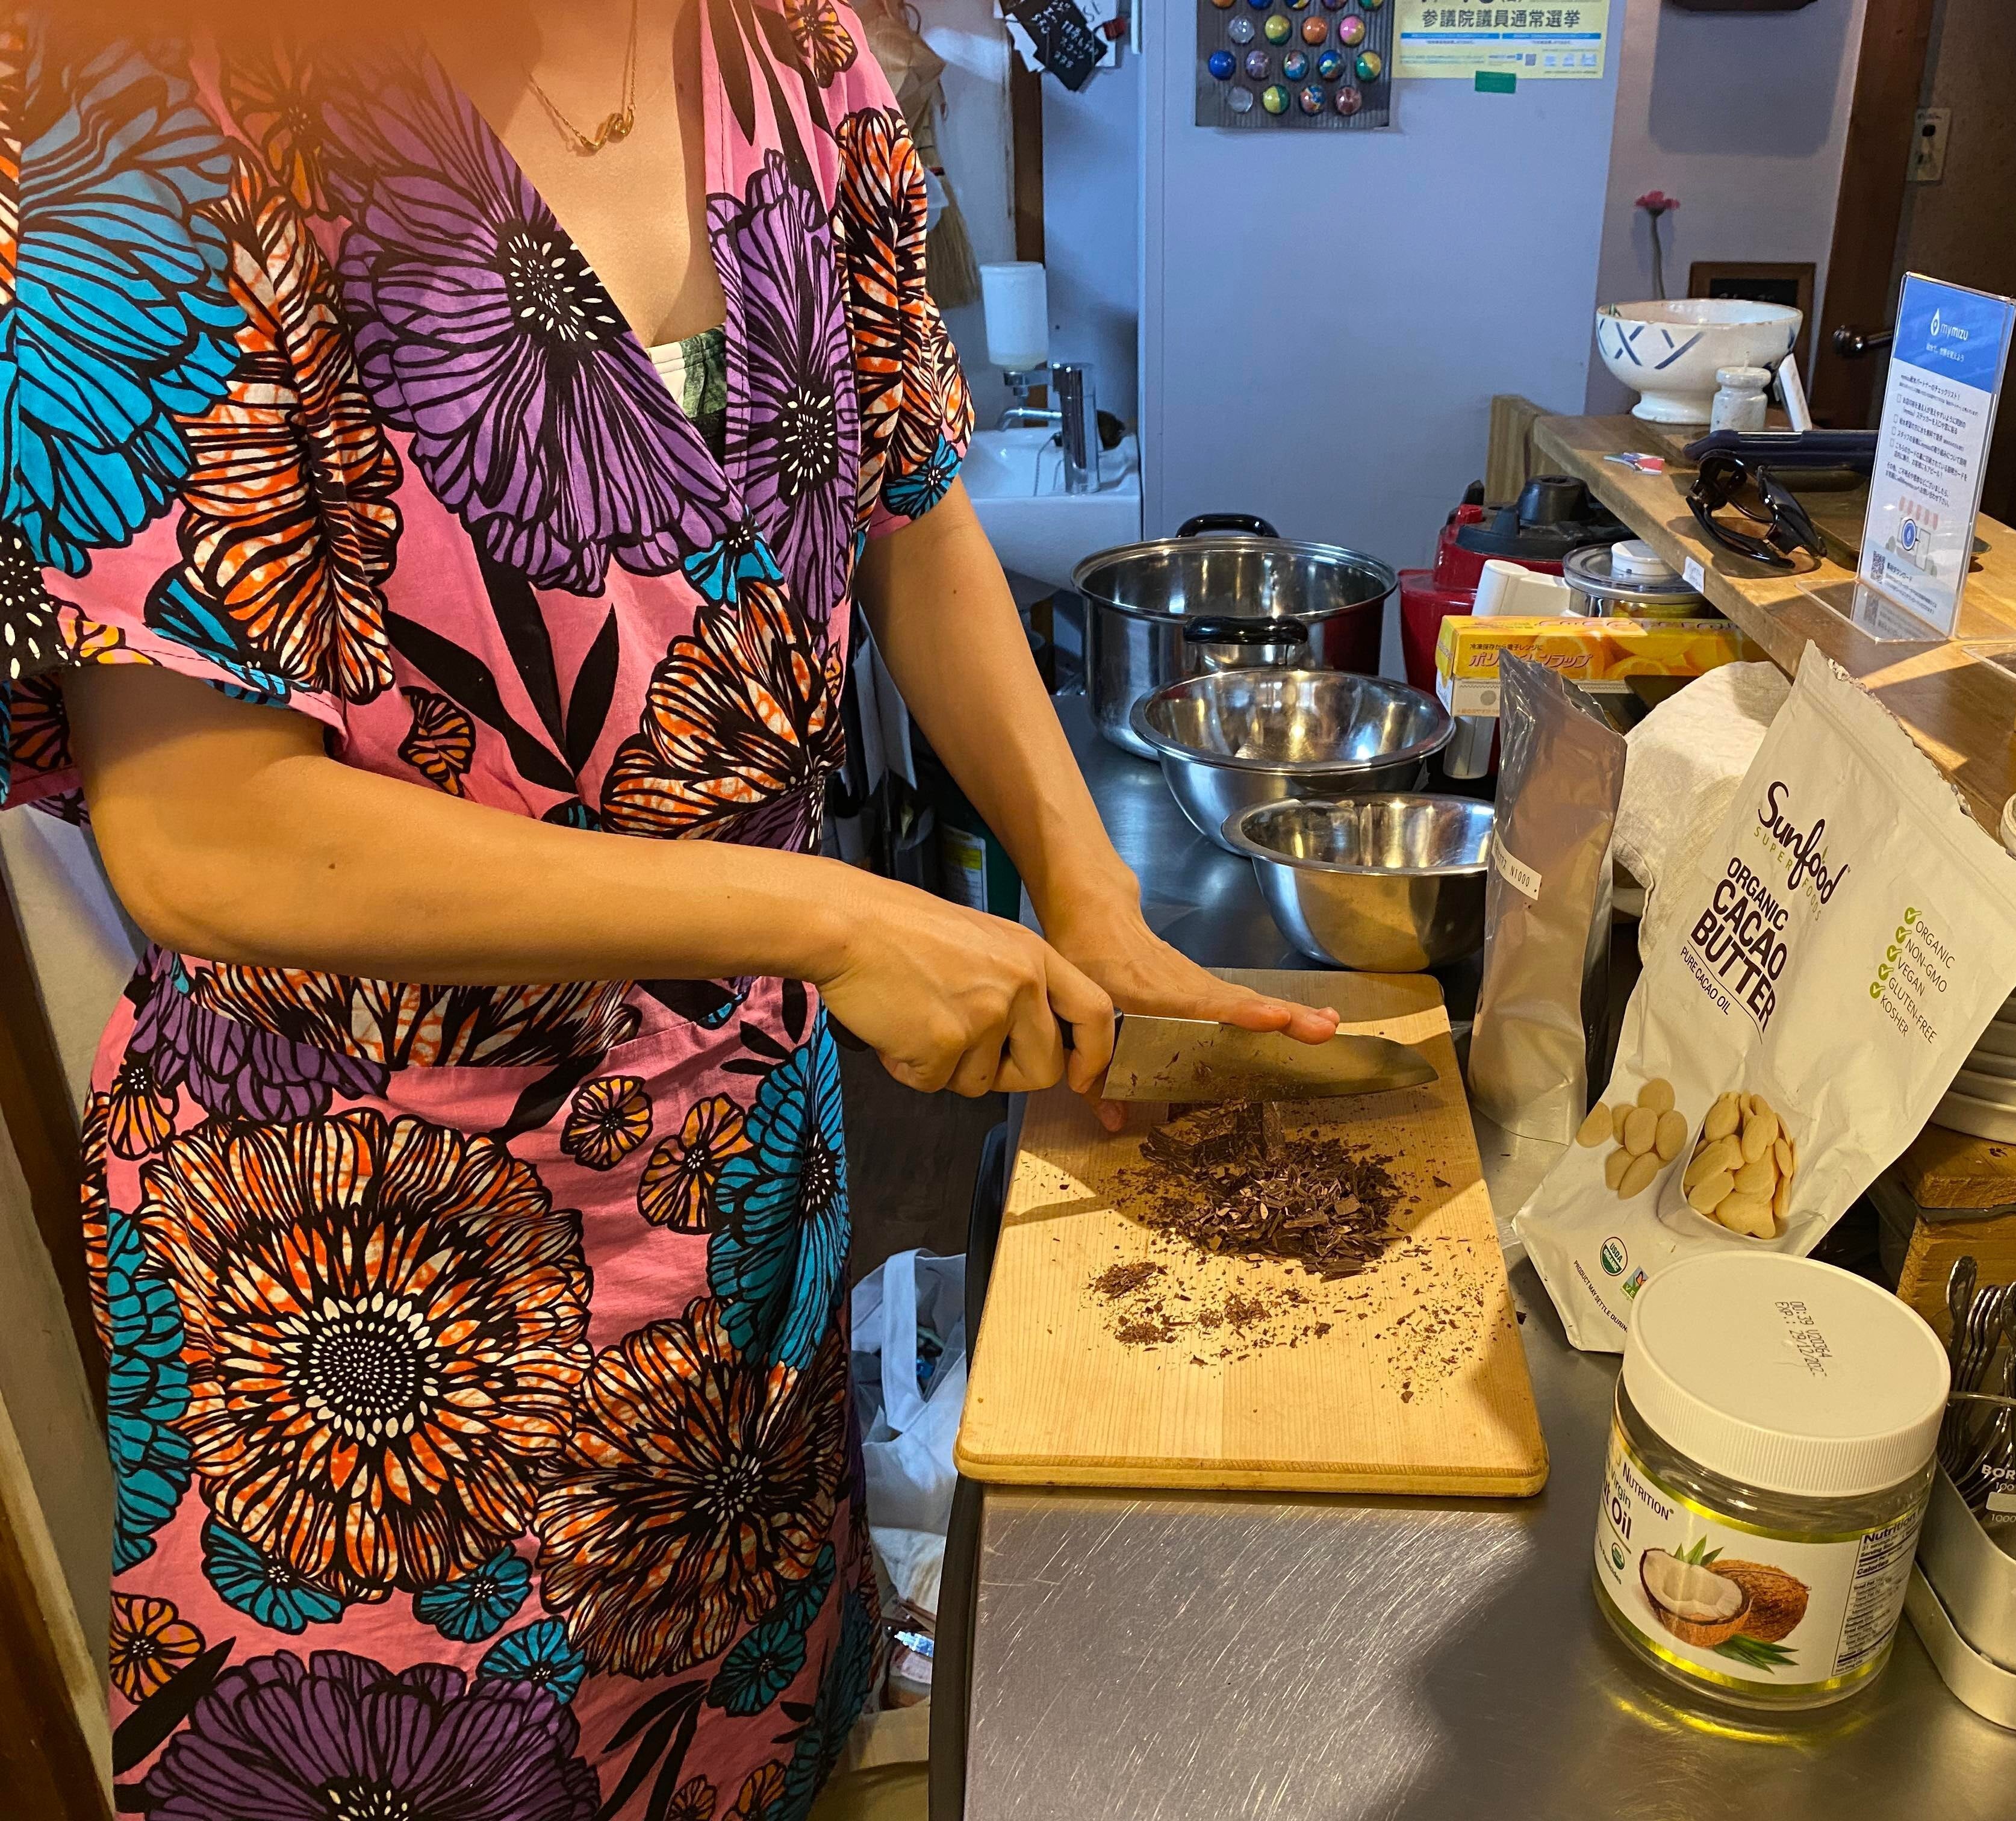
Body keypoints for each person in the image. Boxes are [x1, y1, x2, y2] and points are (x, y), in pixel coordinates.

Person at [2, 0, 1335, 1810]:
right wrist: (824, 918)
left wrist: (1085, 886)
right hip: (375, 1270)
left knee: (746, 1749)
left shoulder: (796, 55)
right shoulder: (150, 110)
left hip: (744, 1193)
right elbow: (201, 830)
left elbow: (915, 516)